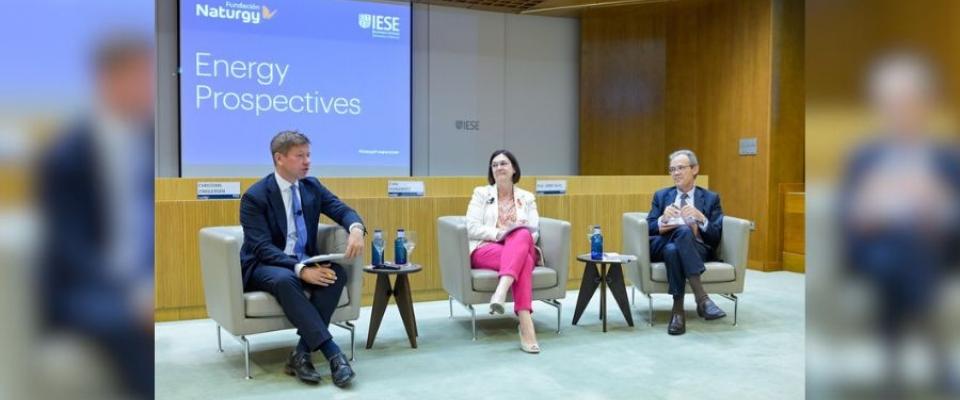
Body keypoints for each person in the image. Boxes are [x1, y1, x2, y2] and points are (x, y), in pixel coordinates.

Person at [38, 33, 155, 398]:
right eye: (141, 76)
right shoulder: (68, 153)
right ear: (109, 80)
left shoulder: (147, 141)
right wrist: (130, 296)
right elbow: (67, 246)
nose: (149, 87)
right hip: (87, 286)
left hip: (142, 281)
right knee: (131, 329)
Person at [239, 130, 365, 387]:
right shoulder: (255, 196)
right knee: (286, 280)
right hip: (265, 264)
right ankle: (334, 354)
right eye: (300, 156)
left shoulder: (311, 187)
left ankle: (301, 354)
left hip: (304, 259)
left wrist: (356, 229)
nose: (307, 161)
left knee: (336, 275)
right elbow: (261, 247)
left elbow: (342, 210)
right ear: (279, 158)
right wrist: (300, 270)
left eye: (308, 155)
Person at [466, 150, 542, 353]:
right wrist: (500, 233)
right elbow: (471, 227)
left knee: (523, 233)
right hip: (487, 248)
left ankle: (500, 292)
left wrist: (516, 231)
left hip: (519, 246)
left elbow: (534, 232)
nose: (499, 167)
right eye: (495, 165)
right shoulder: (481, 194)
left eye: (503, 163)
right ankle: (526, 325)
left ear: (514, 168)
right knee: (524, 261)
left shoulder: (527, 197)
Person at [646, 149, 726, 335]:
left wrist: (701, 219)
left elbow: (715, 236)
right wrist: (663, 219)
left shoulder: (710, 198)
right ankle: (702, 298)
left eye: (680, 168)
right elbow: (648, 227)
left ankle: (677, 311)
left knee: (673, 251)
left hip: (695, 248)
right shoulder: (661, 196)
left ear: (695, 169)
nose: (676, 173)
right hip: (661, 244)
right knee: (681, 232)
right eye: (672, 169)